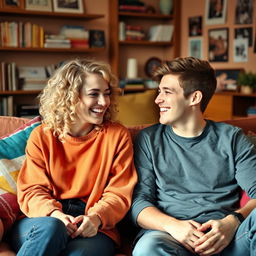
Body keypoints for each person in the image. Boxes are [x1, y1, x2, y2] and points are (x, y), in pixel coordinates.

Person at [8, 59, 137, 256]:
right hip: (44, 219)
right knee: (51, 228)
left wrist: (96, 218)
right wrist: (55, 215)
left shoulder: (116, 135)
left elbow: (119, 192)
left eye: (107, 94)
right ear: (70, 97)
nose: (104, 102)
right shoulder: (42, 136)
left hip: (94, 223)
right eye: (94, 94)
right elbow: (32, 189)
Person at [130, 56, 256, 256]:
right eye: (159, 91)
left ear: (194, 98)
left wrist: (232, 222)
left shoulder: (231, 138)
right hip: (170, 237)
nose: (157, 99)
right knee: (147, 249)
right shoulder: (149, 140)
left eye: (167, 92)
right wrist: (174, 226)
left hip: (227, 237)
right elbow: (139, 203)